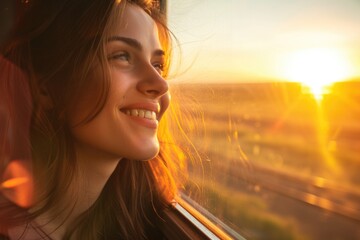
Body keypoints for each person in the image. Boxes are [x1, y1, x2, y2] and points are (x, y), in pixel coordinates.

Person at [0, 0, 185, 239]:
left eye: (158, 65)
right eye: (122, 56)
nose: (160, 84)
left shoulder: (149, 222)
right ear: (45, 87)